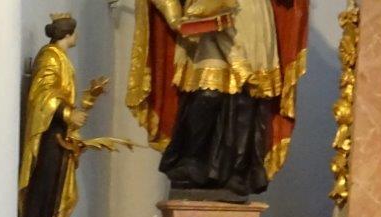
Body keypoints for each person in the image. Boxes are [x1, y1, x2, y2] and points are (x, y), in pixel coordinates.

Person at [127, 0, 309, 195]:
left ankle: (238, 170)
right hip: (208, 16)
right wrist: (174, 17)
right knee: (207, 94)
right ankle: (191, 161)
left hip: (251, 16)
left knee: (247, 97)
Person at [17, 14, 106, 217]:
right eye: (75, 32)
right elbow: (43, 93)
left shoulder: (61, 58)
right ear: (68, 34)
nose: (77, 36)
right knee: (42, 188)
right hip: (48, 135)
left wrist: (86, 102)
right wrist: (68, 113)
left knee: (55, 191)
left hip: (60, 135)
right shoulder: (49, 56)